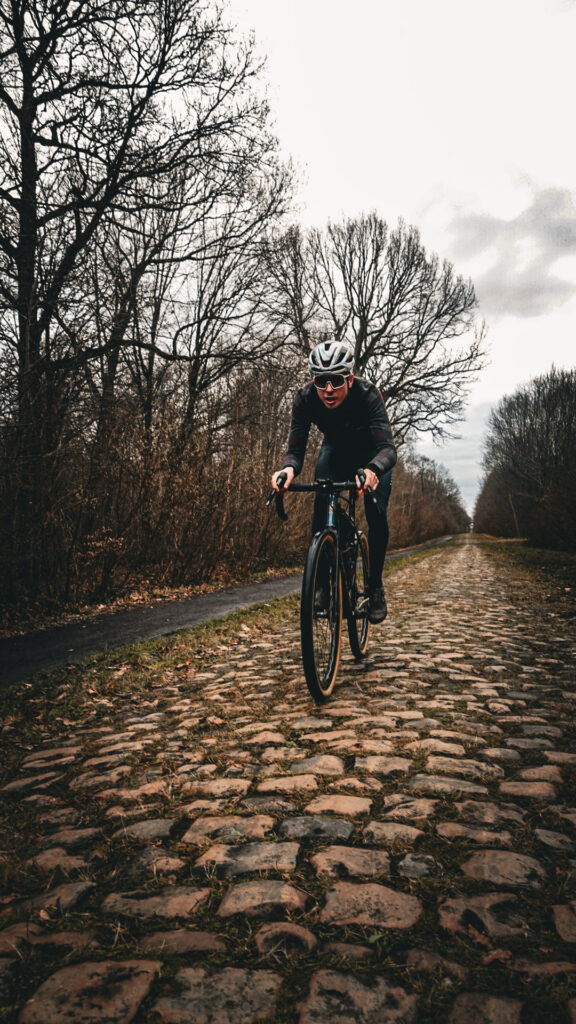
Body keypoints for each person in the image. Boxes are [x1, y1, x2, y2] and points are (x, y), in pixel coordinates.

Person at [271, 340, 397, 623]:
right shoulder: (305, 398)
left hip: (372, 455)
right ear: (313, 380)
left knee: (376, 512)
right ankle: (322, 587)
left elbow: (388, 448)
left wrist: (373, 469)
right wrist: (287, 470)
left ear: (350, 378)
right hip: (337, 450)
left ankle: (375, 587)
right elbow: (294, 449)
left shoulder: (368, 395)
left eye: (336, 381)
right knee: (321, 501)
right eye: (321, 381)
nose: (328, 389)